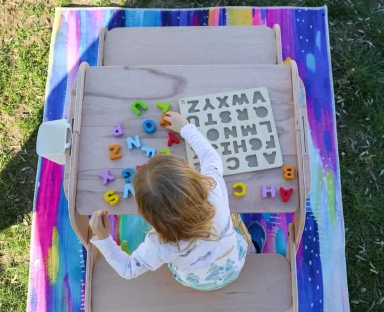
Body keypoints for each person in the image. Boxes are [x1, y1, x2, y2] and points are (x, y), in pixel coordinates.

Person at [89, 111, 267, 291]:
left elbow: (128, 269)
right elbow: (211, 157)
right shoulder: (214, 193)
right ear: (192, 180)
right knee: (233, 219)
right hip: (234, 265)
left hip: (197, 282)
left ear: (146, 215)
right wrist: (186, 128)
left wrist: (104, 238)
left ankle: (246, 249)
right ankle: (252, 248)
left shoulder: (160, 245)